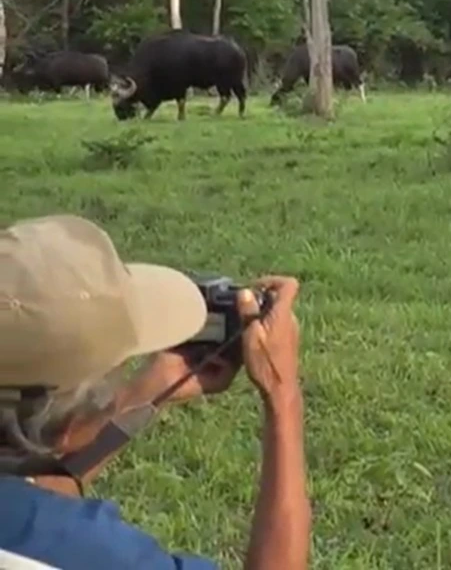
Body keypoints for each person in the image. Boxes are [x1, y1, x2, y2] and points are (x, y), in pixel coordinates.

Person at [0, 215, 309, 569]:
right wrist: (281, 392)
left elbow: (28, 485)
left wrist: (151, 389)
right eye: (118, 369)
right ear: (69, 429)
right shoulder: (93, 554)